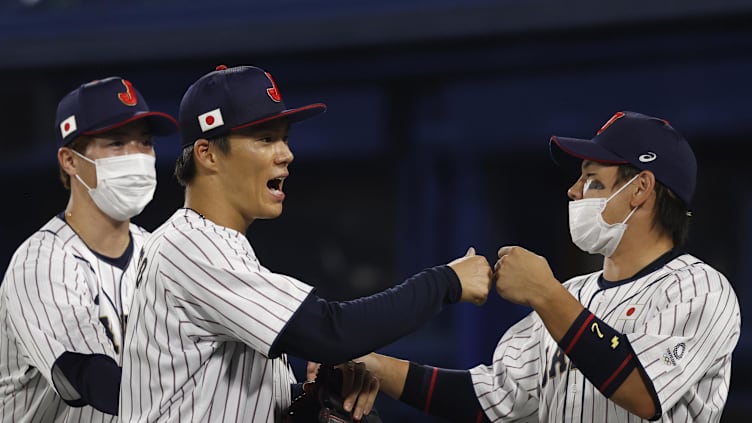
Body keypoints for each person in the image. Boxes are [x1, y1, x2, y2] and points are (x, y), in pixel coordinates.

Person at [118, 64, 493, 423]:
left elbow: (214, 393)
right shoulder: (192, 247)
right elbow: (331, 332)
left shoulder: (202, 242)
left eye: (284, 138)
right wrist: (445, 281)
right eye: (265, 138)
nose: (286, 154)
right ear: (208, 154)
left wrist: (311, 390)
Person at [359, 111, 741, 422]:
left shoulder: (699, 288)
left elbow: (642, 392)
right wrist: (373, 365)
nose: (574, 190)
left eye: (592, 179)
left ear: (641, 189)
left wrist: (544, 291)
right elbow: (489, 399)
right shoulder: (572, 295)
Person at [0, 76, 179, 422]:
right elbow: (88, 377)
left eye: (144, 143)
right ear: (69, 161)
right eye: (116, 143)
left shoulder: (158, 253)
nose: (137, 157)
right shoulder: (39, 262)